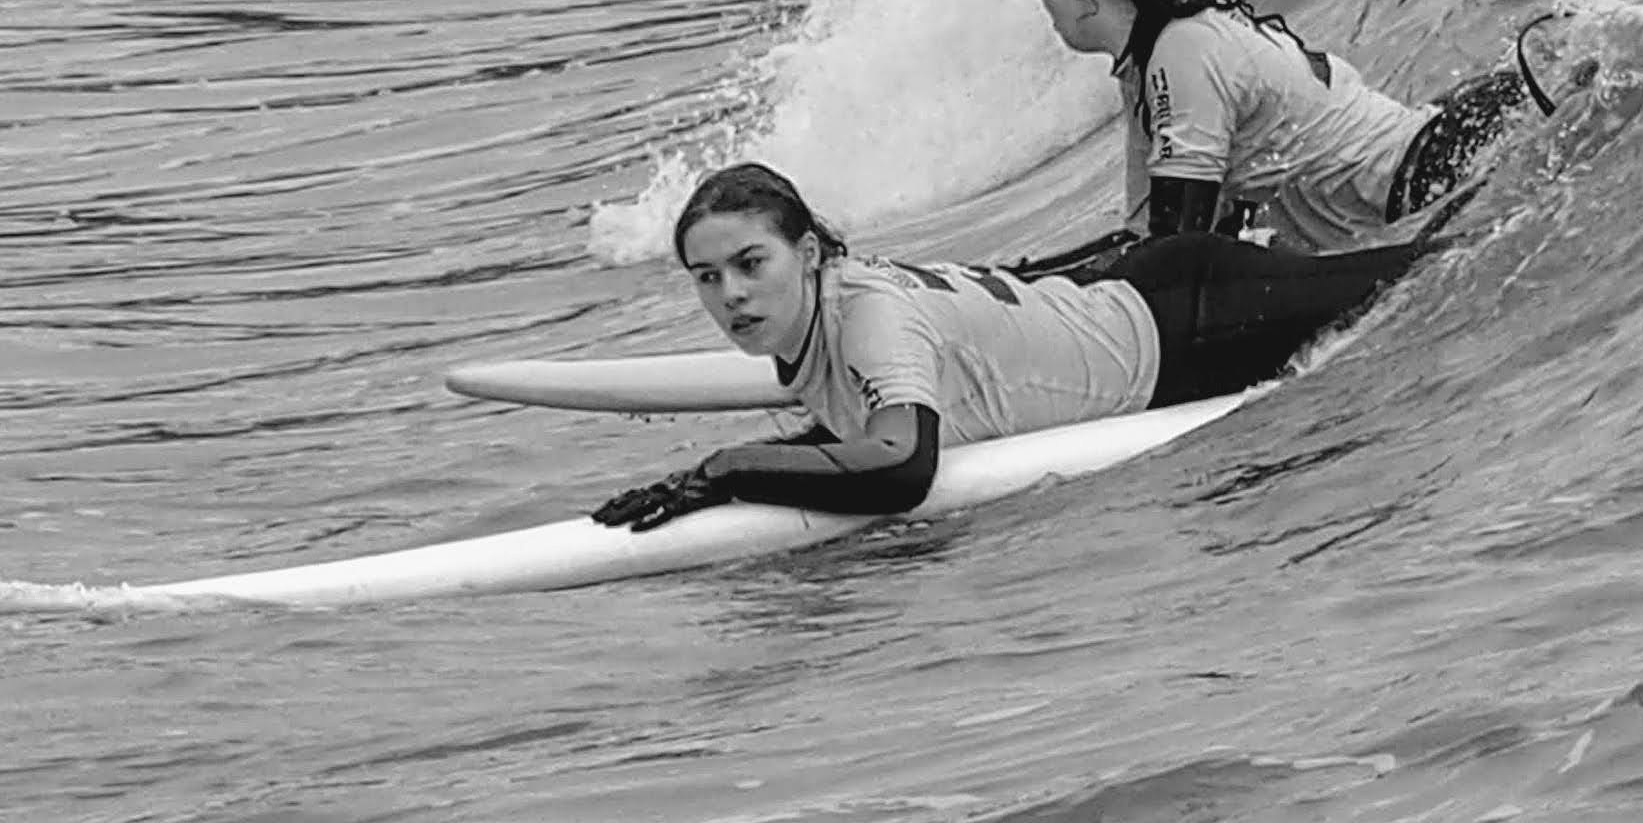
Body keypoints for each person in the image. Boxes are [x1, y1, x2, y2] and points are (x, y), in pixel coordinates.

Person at [590, 161, 1431, 531]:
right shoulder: (807, 323)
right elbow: (861, 432)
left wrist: (728, 470)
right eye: (707, 277)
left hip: (1192, 323)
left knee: (1441, 265)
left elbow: (903, 467)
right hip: (1143, 296)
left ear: (808, 253)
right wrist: (700, 482)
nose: (731, 295)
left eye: (750, 264)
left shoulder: (869, 316)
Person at [1025, 0, 1561, 253]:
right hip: (1432, 149)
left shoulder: (1182, 55)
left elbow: (1178, 256)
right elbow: (1149, 236)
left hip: (1435, 169)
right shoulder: (1155, 54)